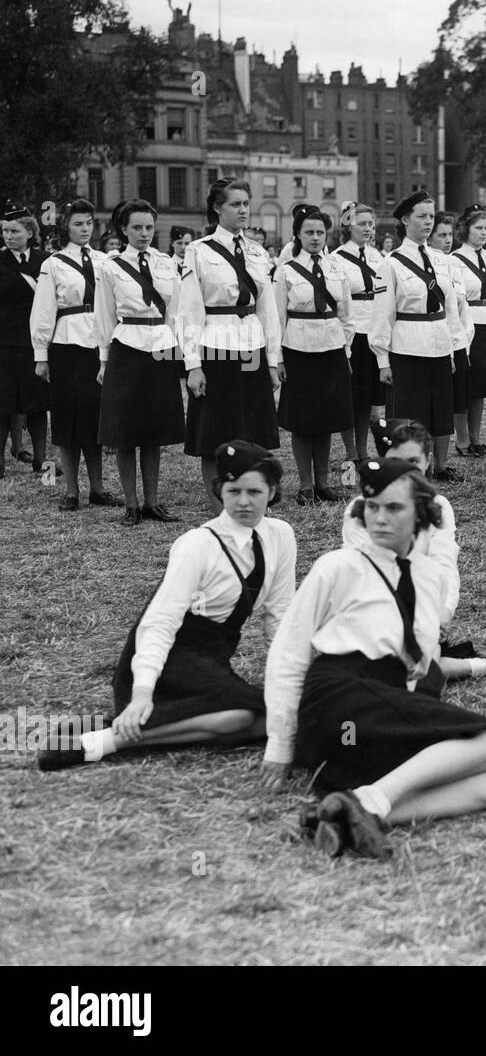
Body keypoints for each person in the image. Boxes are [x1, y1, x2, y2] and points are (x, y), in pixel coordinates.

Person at [264, 457, 486, 858]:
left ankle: (347, 813)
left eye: (394, 508)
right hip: (340, 699)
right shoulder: (339, 565)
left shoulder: (427, 577)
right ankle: (368, 804)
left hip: (384, 708)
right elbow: (289, 651)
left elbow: (419, 665)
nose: (380, 518)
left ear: (421, 514)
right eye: (372, 507)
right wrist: (279, 746)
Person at [36, 441, 297, 771]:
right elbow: (160, 622)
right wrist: (143, 692)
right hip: (168, 657)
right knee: (242, 715)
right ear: (220, 490)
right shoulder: (197, 544)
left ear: (272, 492)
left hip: (211, 661)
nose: (243, 502)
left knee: (271, 722)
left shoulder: (281, 536)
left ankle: (110, 726)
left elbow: (279, 617)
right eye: (233, 491)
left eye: (254, 492)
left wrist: (286, 685)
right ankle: (104, 742)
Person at [343, 418, 486, 684]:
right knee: (397, 674)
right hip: (371, 610)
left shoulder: (439, 506)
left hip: (422, 610)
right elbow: (362, 577)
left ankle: (447, 659)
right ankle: (479, 664)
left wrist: (443, 612)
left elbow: (444, 563)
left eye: (413, 463)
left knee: (417, 676)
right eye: (395, 462)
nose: (404, 473)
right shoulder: (360, 509)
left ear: (427, 461)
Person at [178, 178, 282, 511]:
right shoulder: (199, 251)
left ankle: (248, 498)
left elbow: (268, 310)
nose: (242, 210)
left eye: (245, 204)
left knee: (251, 428)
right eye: (235, 204)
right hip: (215, 345)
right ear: (217, 208)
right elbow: (189, 310)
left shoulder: (256, 252)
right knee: (215, 431)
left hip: (251, 344)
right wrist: (193, 364)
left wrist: (272, 359)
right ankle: (217, 505)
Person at [94, 198, 185, 525]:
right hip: (126, 348)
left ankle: (152, 502)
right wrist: (104, 360)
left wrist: (176, 350)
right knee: (125, 431)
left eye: (149, 227)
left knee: (154, 430)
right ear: (123, 229)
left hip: (160, 346)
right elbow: (104, 316)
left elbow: (175, 310)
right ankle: (131, 504)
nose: (144, 233)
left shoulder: (166, 263)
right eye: (137, 228)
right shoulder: (111, 266)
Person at [30, 198, 121, 511]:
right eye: (78, 223)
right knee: (68, 421)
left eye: (89, 223)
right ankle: (71, 491)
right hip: (66, 347)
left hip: (99, 346)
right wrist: (41, 354)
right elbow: (43, 311)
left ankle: (98, 488)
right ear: (65, 226)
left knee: (95, 421)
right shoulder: (53, 264)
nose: (85, 229)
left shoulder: (105, 261)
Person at [371, 191, 469, 483]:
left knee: (441, 408)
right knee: (410, 410)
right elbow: (382, 316)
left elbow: (451, 310)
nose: (428, 222)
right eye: (421, 216)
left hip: (439, 343)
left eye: (431, 216)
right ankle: (412, 466)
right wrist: (382, 361)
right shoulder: (392, 264)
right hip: (407, 346)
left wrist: (452, 350)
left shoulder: (443, 261)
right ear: (405, 219)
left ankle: (440, 465)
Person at [274, 204, 352, 504]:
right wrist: (278, 357)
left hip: (331, 349)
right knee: (303, 420)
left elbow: (346, 315)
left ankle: (323, 483)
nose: (316, 238)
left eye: (320, 232)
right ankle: (305, 485)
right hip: (299, 350)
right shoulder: (286, 271)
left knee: (327, 417)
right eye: (309, 232)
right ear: (297, 234)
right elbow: (278, 318)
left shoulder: (336, 268)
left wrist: (344, 349)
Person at [333, 201, 388, 474]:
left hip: (375, 330)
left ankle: (364, 449)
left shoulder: (380, 257)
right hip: (352, 332)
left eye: (370, 223)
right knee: (351, 395)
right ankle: (350, 452)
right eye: (361, 223)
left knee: (369, 396)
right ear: (347, 225)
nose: (368, 228)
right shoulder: (338, 258)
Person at [0, 204, 50, 481]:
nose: (8, 236)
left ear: (29, 231)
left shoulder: (46, 261)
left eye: (14, 231)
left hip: (36, 343)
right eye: (5, 231)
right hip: (4, 343)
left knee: (37, 404)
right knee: (3, 405)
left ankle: (43, 463)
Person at [449, 205, 486, 456]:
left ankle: (476, 438)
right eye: (478, 228)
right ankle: (461, 440)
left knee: (481, 383)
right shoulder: (455, 260)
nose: (483, 232)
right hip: (465, 323)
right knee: (463, 382)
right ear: (465, 230)